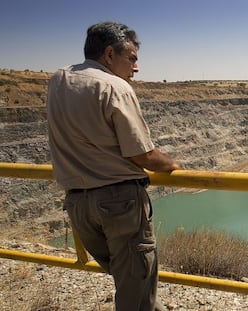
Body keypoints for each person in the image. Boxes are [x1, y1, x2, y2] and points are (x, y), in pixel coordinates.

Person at [47, 21, 179, 311]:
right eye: (131, 58)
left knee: (133, 282)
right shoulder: (114, 86)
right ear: (109, 54)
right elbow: (142, 155)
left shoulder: (59, 80)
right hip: (119, 204)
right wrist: (172, 165)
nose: (136, 67)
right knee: (136, 285)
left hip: (78, 204)